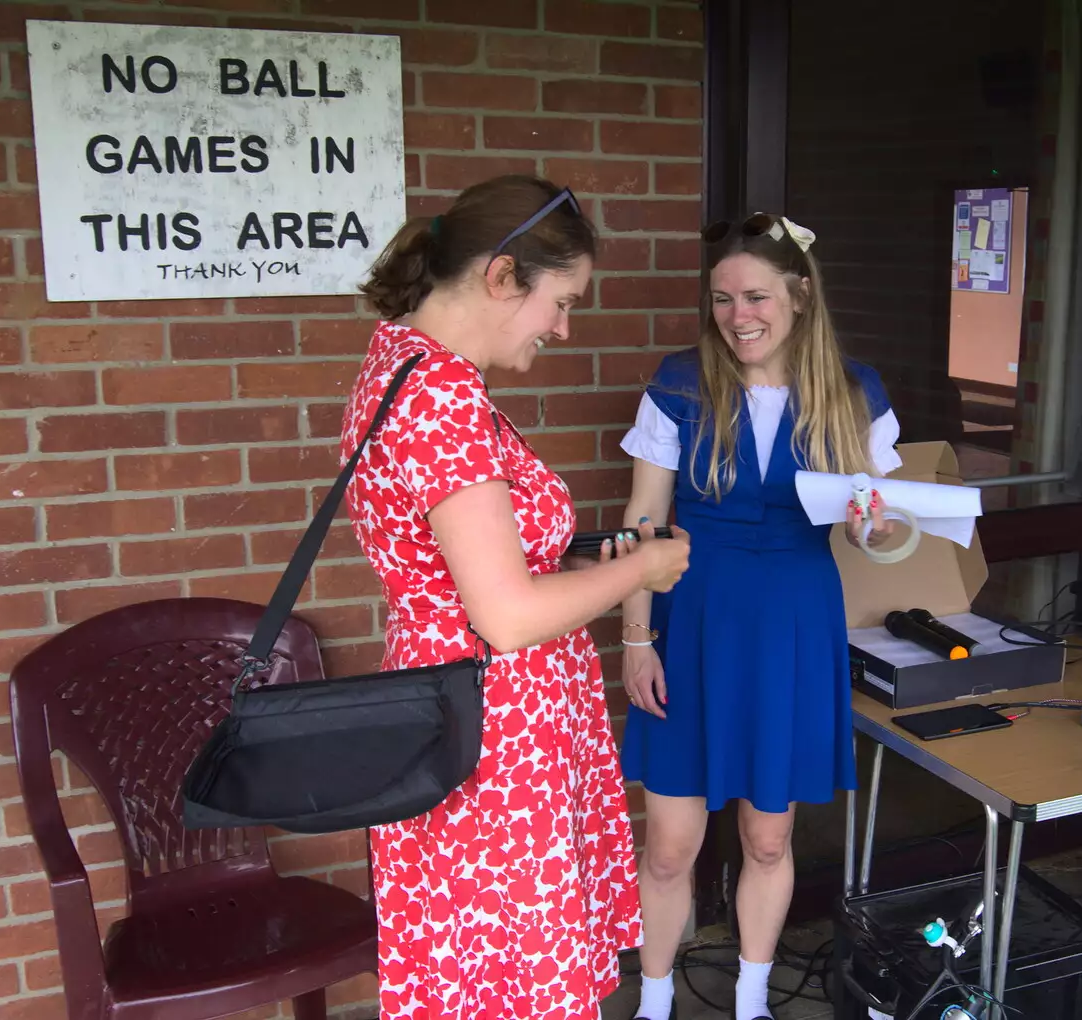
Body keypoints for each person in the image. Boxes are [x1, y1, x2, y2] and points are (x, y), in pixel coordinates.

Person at [340, 175, 691, 1020]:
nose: (563, 329)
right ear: (502, 277)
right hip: (493, 737)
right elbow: (504, 616)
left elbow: (465, 563)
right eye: (560, 302)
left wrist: (571, 561)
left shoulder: (400, 362)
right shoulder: (443, 399)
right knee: (513, 984)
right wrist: (638, 572)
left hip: (463, 714)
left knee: (477, 974)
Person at [617, 213, 902, 1020]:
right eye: (721, 299)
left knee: (768, 839)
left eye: (755, 296)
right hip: (693, 617)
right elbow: (643, 521)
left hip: (792, 623)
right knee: (671, 845)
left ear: (801, 296)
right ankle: (654, 1001)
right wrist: (636, 641)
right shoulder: (678, 381)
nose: (738, 315)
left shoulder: (855, 390)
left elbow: (876, 521)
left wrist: (873, 528)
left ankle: (751, 1000)